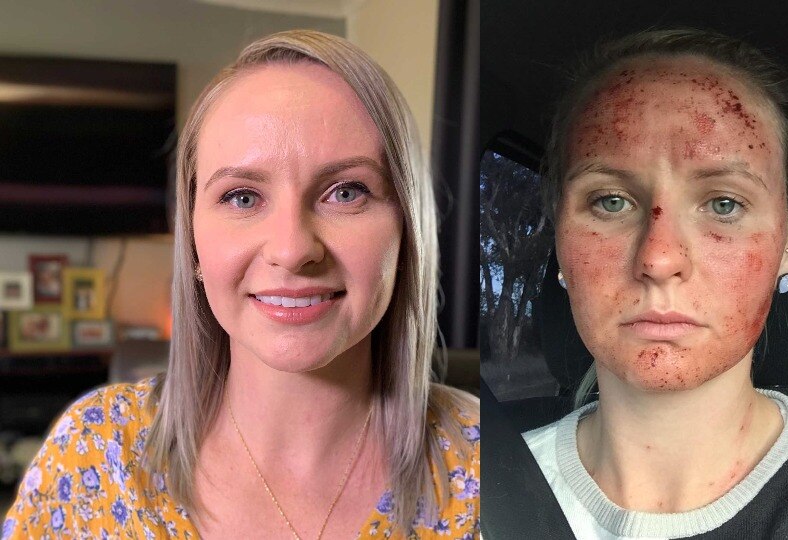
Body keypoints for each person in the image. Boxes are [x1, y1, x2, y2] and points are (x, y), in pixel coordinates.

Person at [3, 30, 479, 539]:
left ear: (406, 229)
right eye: (243, 198)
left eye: (346, 192)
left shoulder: (485, 462)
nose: (292, 249)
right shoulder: (90, 454)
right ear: (193, 242)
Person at [523, 28, 788, 538]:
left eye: (724, 204)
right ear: (560, 236)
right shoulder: (468, 486)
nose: (660, 258)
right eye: (610, 201)